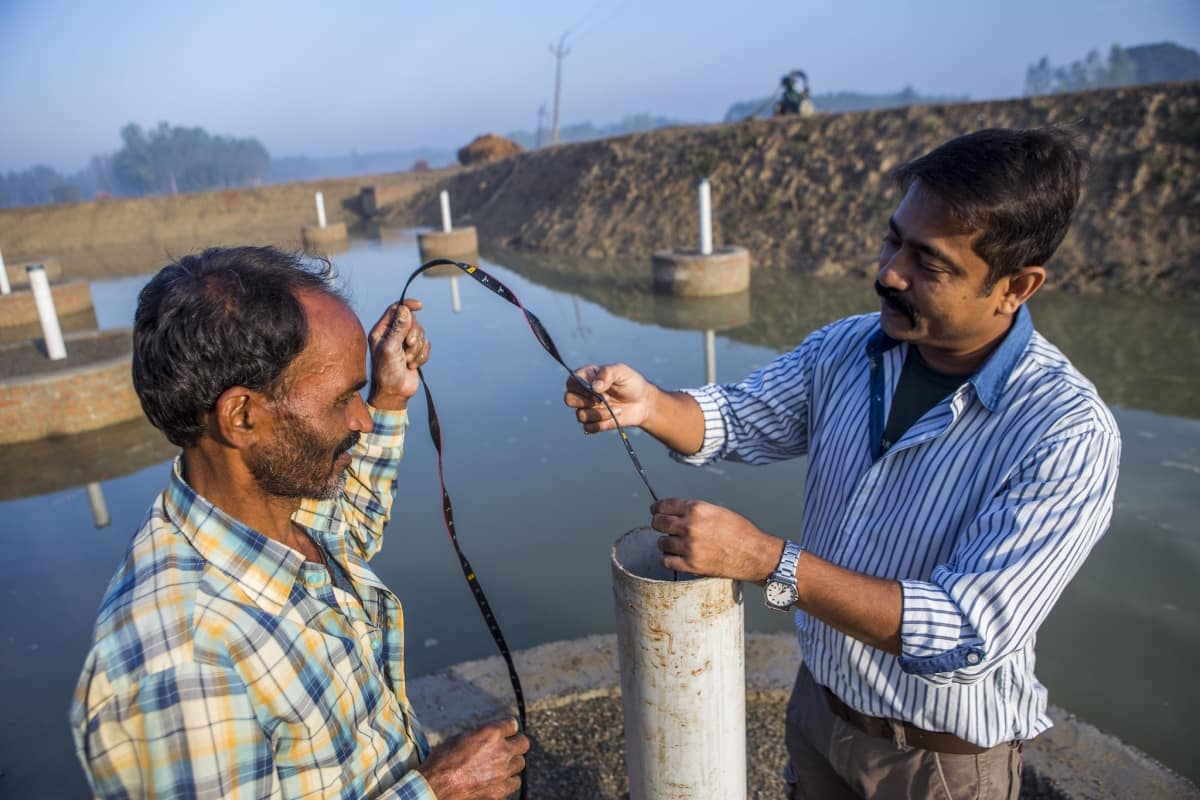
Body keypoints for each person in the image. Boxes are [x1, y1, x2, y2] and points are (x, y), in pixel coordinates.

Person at [565, 127, 1120, 799]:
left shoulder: (1065, 432)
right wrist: (648, 404)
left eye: (929, 262)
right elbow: (738, 418)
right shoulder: (848, 349)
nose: (889, 272)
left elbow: (966, 632)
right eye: (893, 240)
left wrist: (766, 559)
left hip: (938, 763)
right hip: (819, 713)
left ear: (1016, 286)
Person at [71, 246, 529, 799]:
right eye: (342, 399)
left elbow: (349, 527)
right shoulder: (182, 664)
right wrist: (435, 791)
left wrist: (387, 396)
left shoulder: (268, 508)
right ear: (242, 416)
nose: (360, 420)